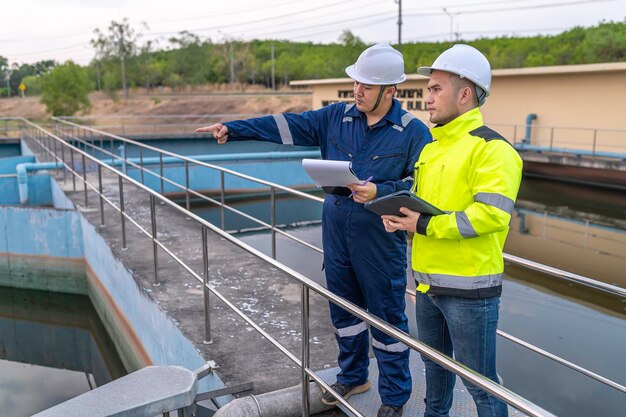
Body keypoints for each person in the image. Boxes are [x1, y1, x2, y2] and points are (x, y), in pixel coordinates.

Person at [196, 44, 432, 417]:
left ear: (391, 91)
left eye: (366, 87)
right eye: (355, 82)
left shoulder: (413, 133)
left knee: (388, 321)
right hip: (337, 233)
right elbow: (286, 125)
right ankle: (353, 377)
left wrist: (381, 191)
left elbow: (421, 187)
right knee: (344, 313)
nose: (357, 91)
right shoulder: (336, 117)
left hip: (379, 241)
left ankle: (394, 399)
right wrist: (233, 129)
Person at [381, 44, 523, 417]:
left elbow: (490, 216)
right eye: (428, 89)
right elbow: (427, 208)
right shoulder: (433, 148)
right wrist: (403, 220)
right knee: (435, 372)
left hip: (470, 292)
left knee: (482, 389)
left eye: (435, 89)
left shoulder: (493, 150)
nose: (426, 98)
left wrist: (423, 223)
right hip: (427, 287)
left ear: (464, 94)